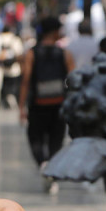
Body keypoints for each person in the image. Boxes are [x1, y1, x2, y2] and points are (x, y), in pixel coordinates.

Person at [19, 17, 75, 193]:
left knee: (35, 137)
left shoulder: (31, 53)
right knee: (55, 140)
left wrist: (21, 105)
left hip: (38, 104)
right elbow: (74, 80)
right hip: (59, 104)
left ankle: (43, 164)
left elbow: (26, 80)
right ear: (55, 32)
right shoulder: (64, 54)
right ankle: (50, 169)